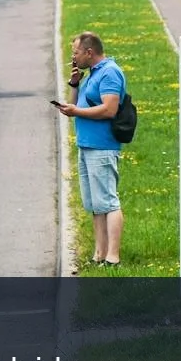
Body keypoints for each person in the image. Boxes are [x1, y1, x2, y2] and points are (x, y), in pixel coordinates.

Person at [54, 31, 126, 267]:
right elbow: (74, 104)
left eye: (75, 53)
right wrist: (74, 83)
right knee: (95, 204)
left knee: (108, 201)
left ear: (89, 52)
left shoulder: (109, 73)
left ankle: (113, 257)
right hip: (86, 145)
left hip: (102, 146)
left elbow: (109, 109)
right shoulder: (92, 74)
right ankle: (99, 253)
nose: (73, 58)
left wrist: (76, 112)